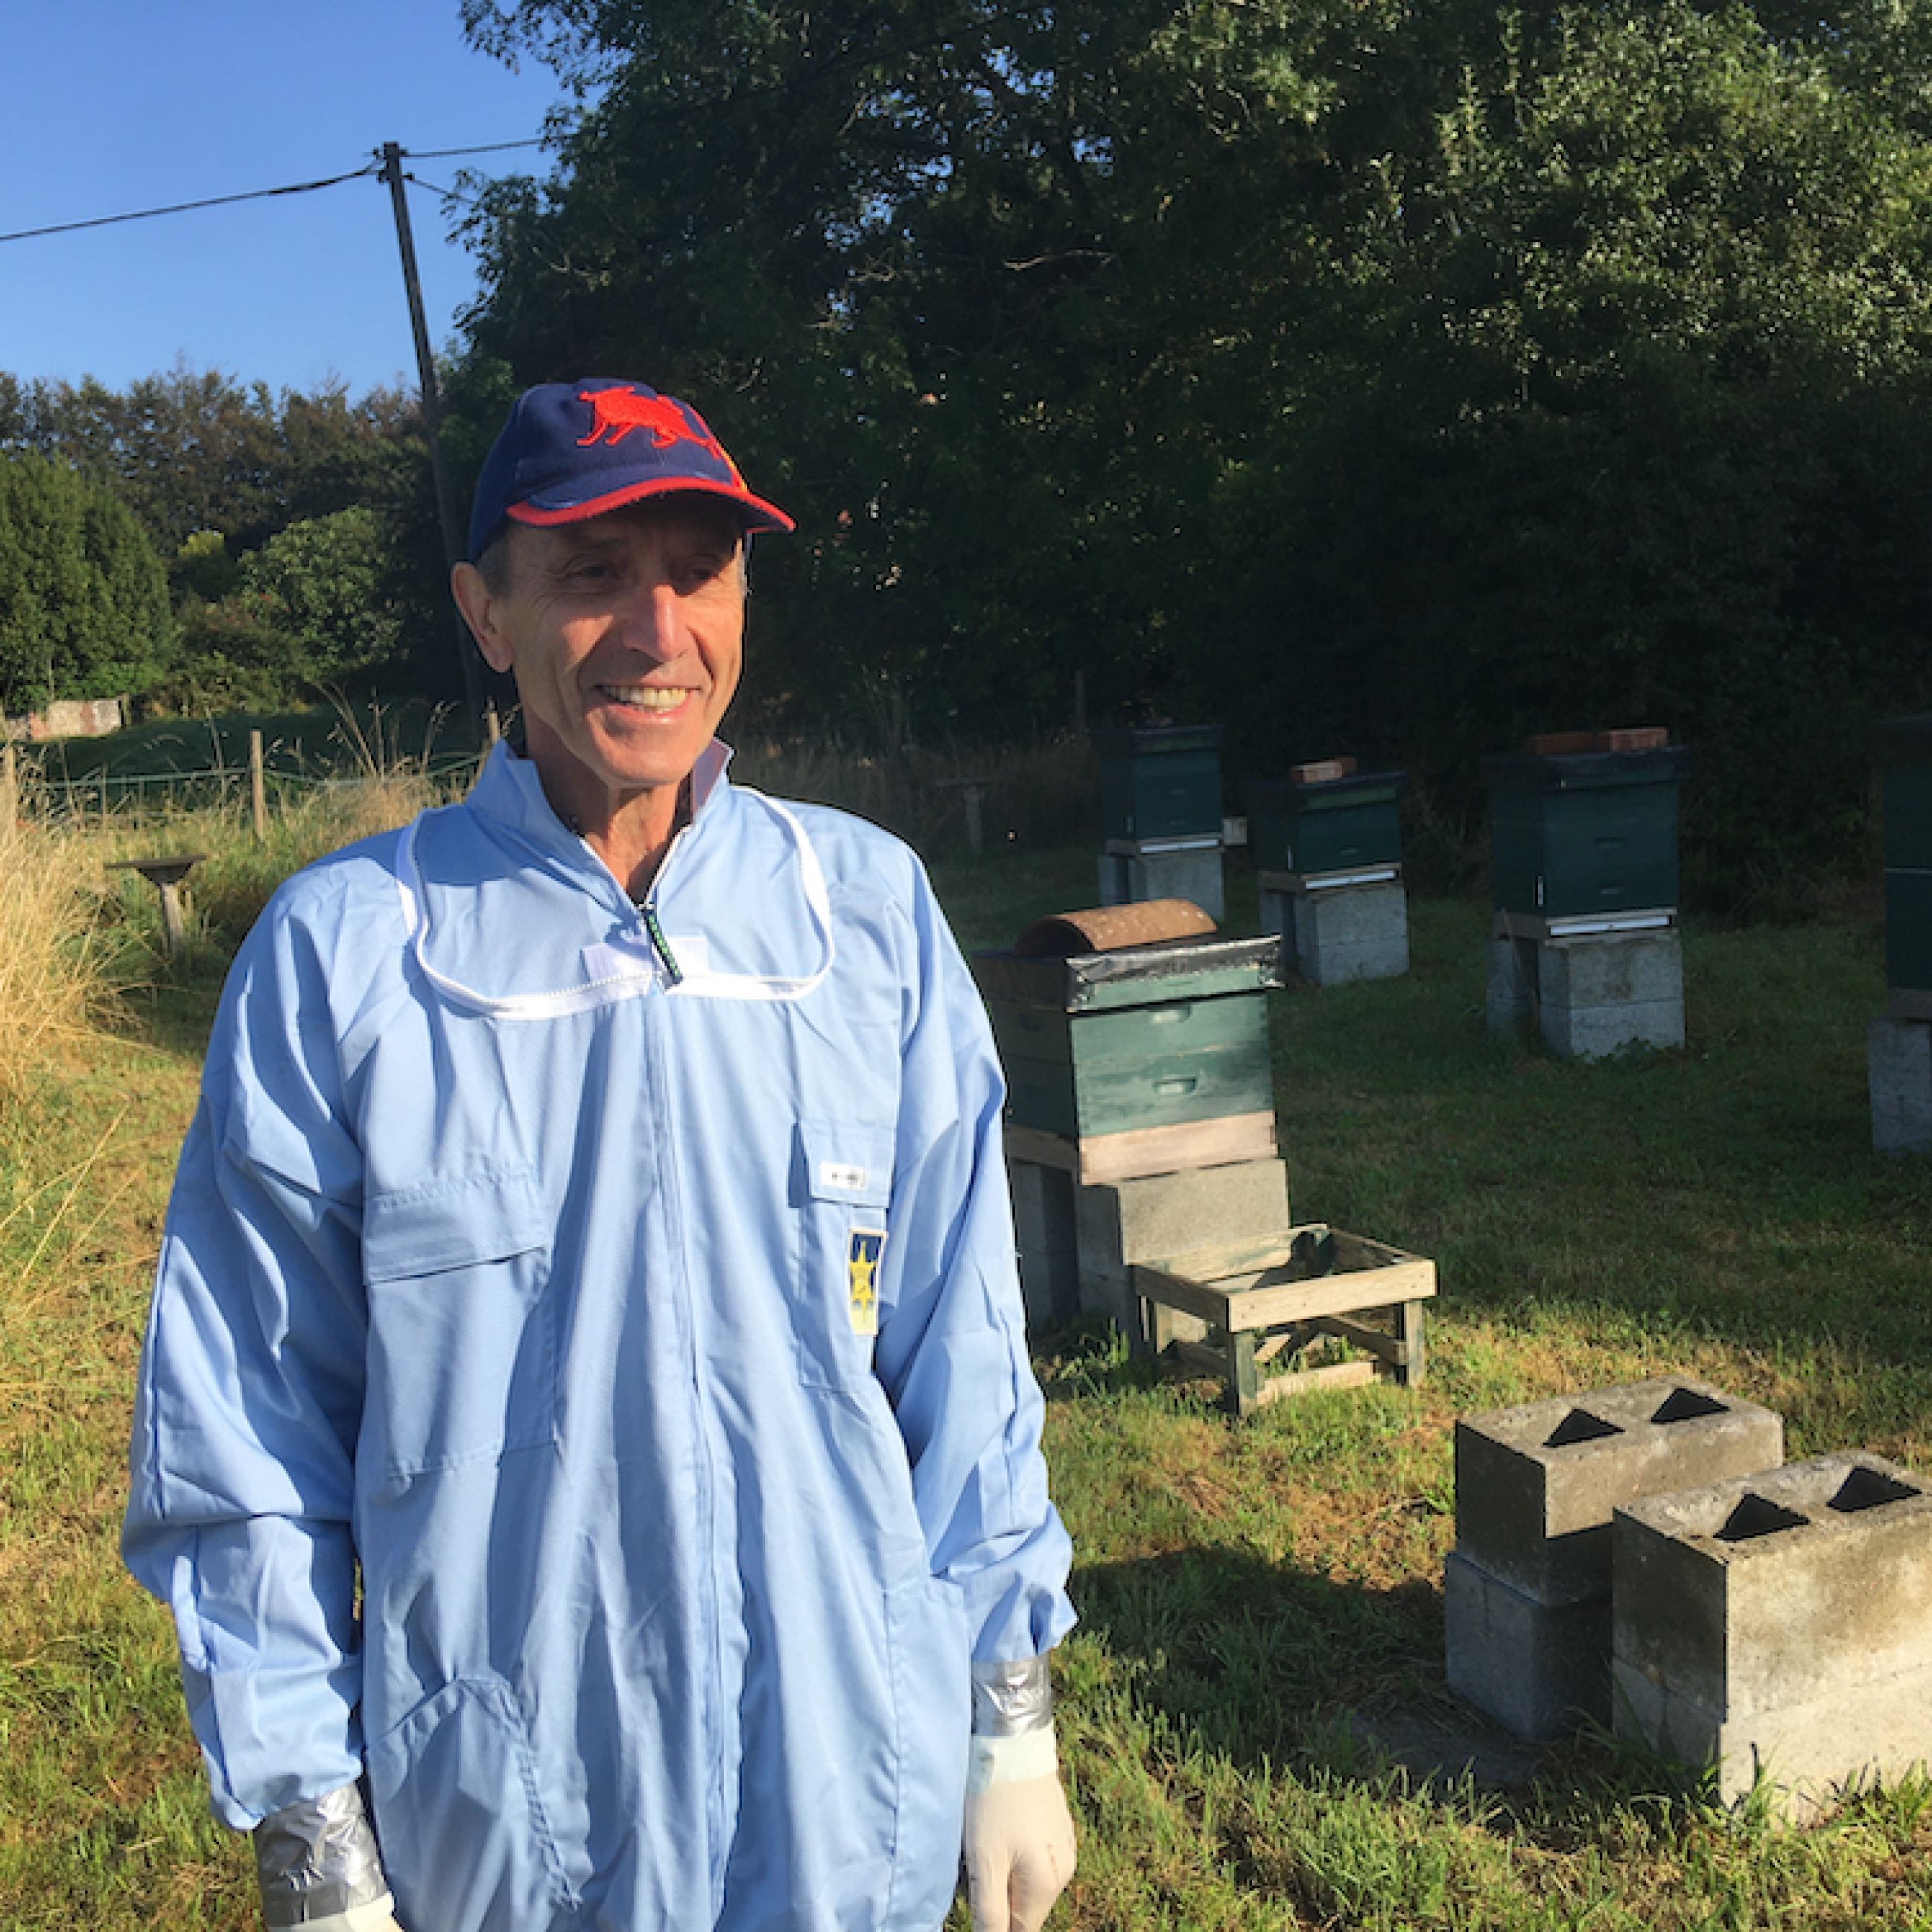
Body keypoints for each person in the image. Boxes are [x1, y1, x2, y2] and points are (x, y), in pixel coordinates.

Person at [124, 378, 1078, 1932]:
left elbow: (960, 1356)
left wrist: (1008, 1708)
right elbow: (245, 1431)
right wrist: (312, 1839)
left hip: (853, 1807)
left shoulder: (868, 919)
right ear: (485, 614)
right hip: (511, 1838)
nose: (656, 629)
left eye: (697, 568)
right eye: (588, 571)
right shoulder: (352, 955)